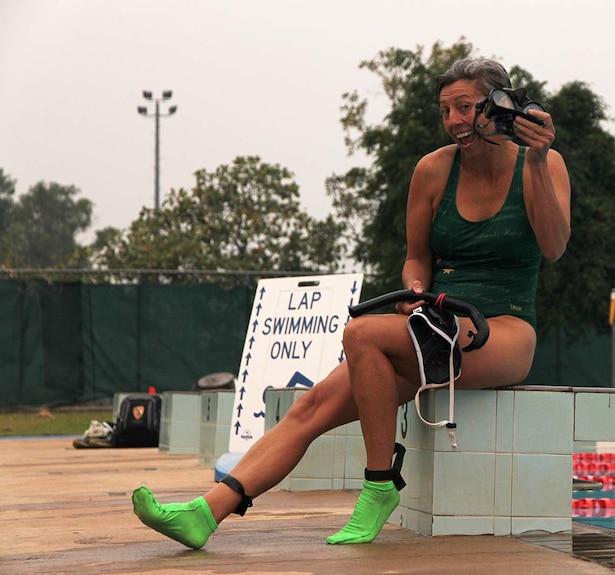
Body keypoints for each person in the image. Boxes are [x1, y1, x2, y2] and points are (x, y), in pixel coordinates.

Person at [132, 57, 571, 549]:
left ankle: (380, 484)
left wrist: (535, 159)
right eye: (445, 110)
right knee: (310, 406)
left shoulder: (543, 163)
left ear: (499, 106)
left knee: (361, 332)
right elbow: (416, 260)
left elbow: (554, 246)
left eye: (465, 107)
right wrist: (416, 295)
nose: (453, 121)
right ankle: (203, 514)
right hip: (434, 325)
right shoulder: (432, 171)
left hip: (503, 330)